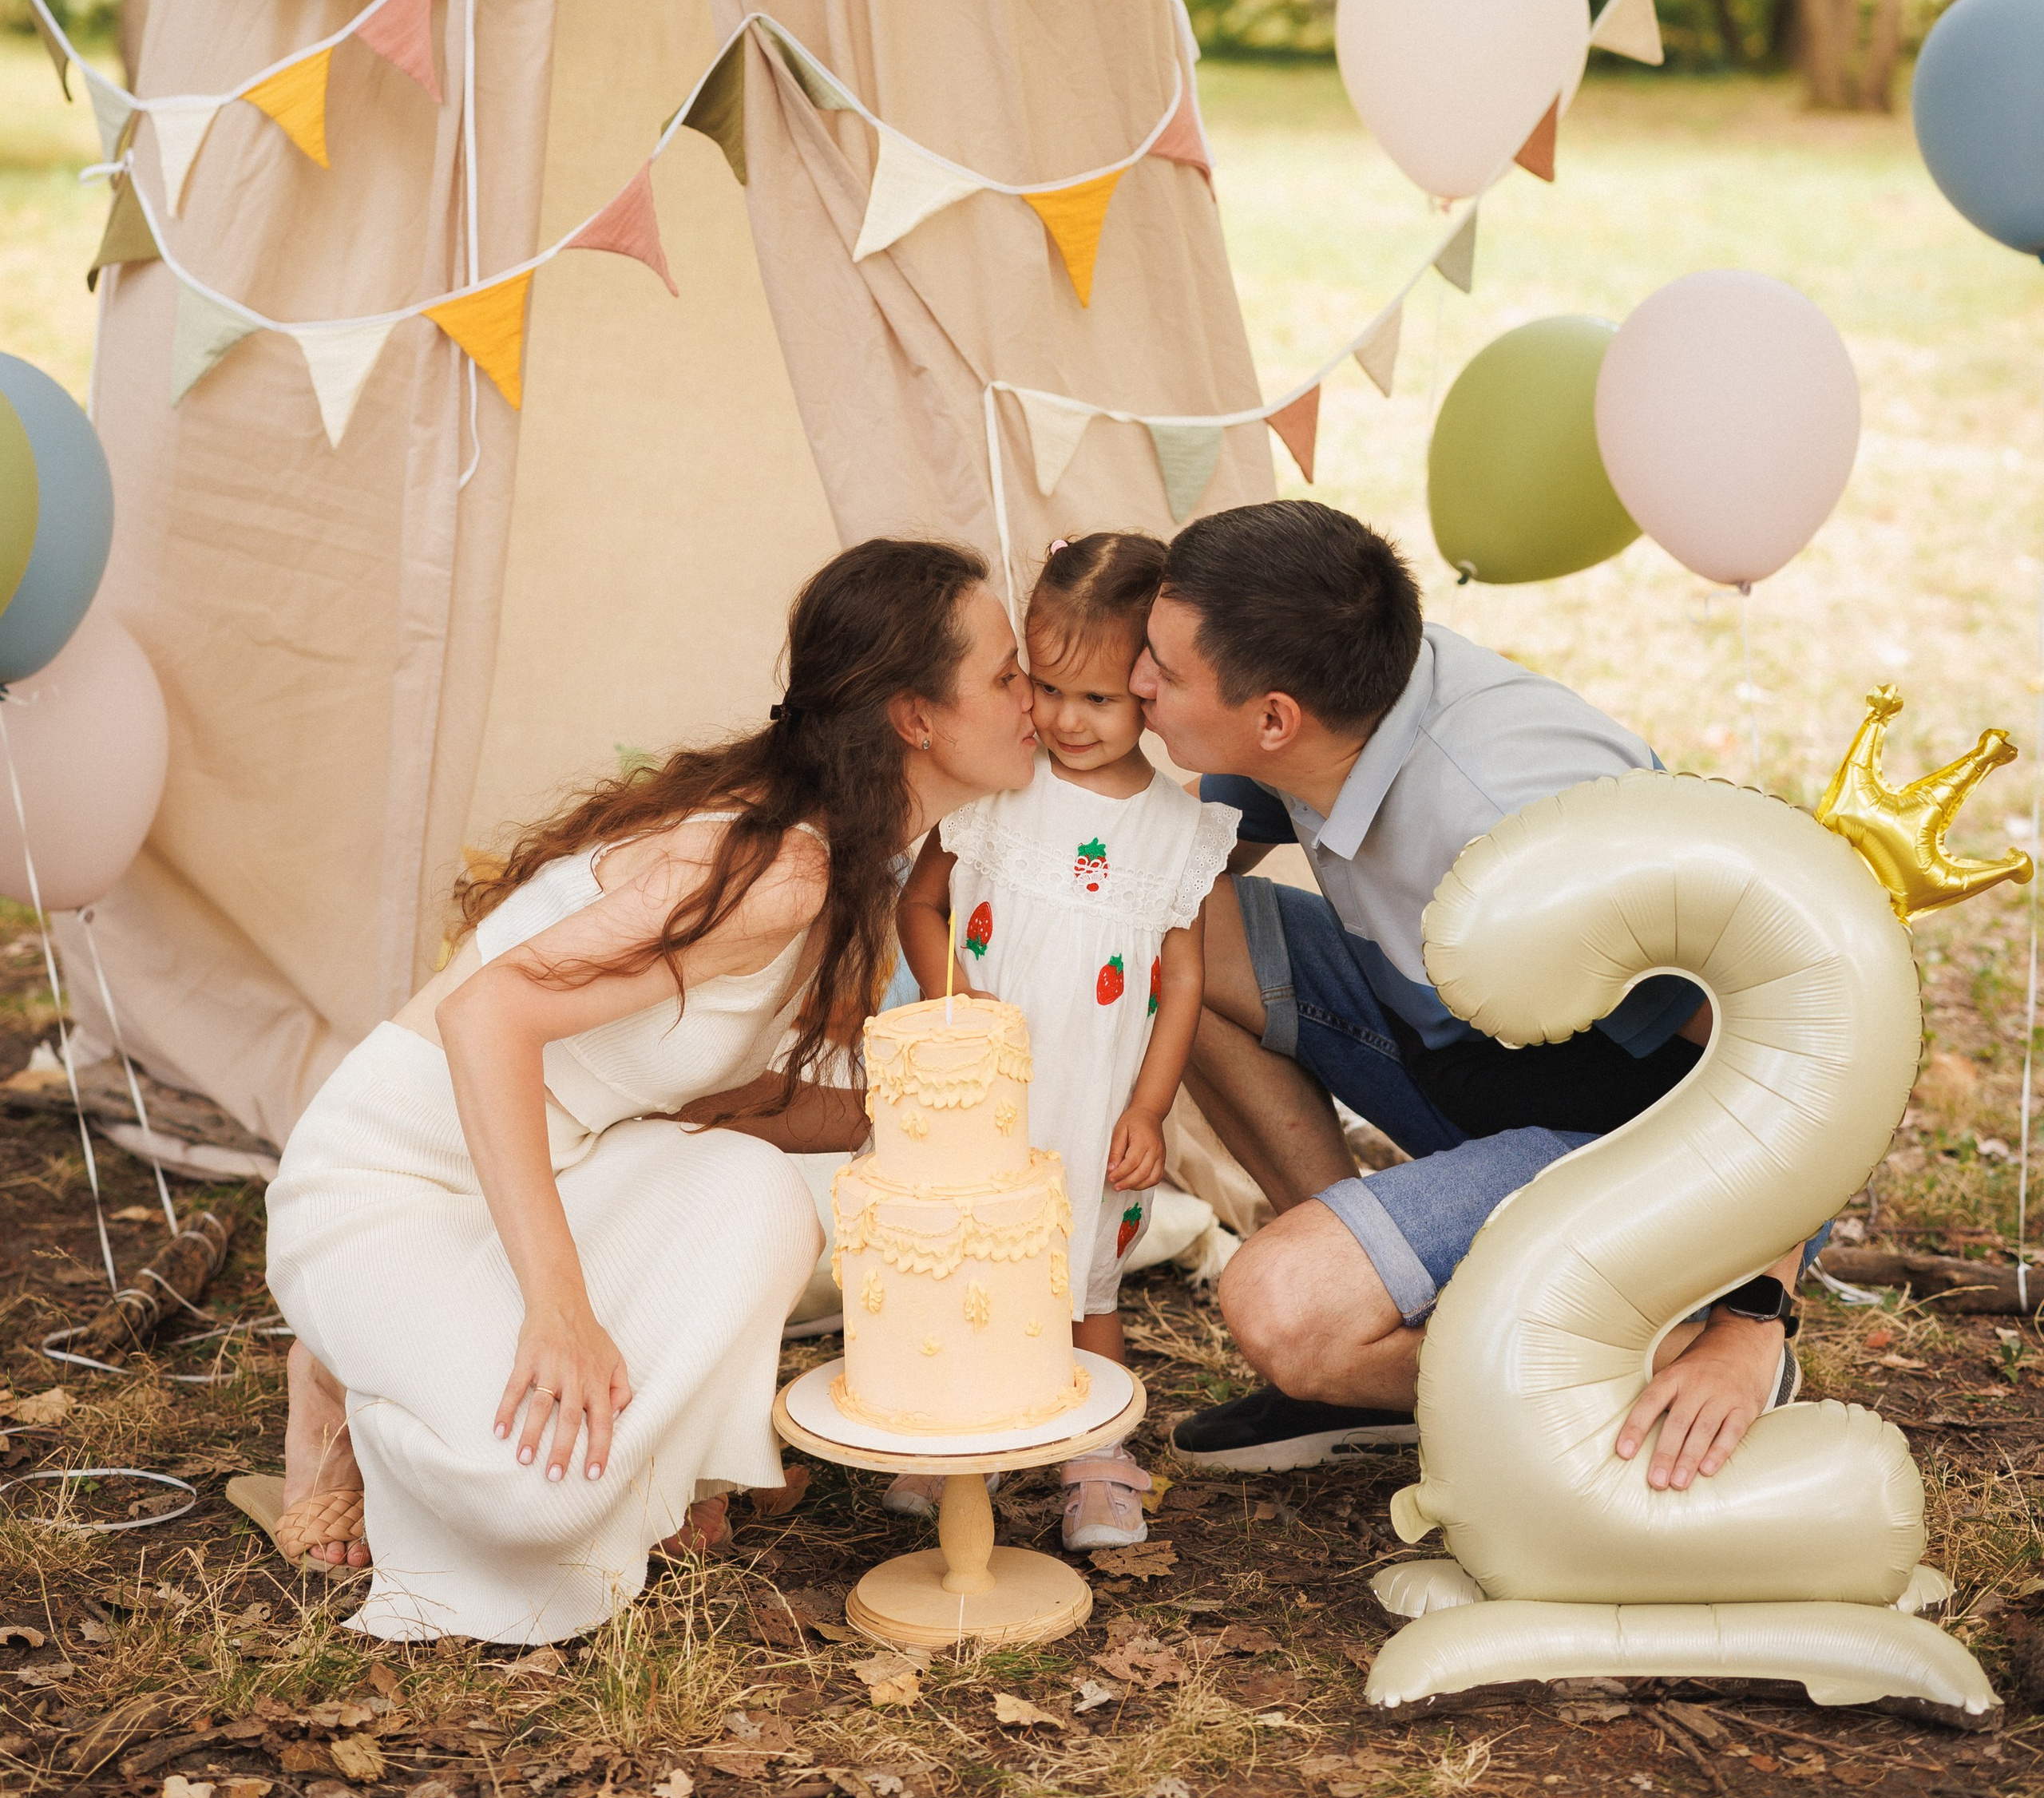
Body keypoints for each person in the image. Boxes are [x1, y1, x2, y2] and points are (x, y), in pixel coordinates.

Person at [264, 536, 1036, 1645]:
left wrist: (948, 1114)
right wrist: (561, 1314)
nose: (1033, 697)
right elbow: (487, 1014)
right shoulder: (776, 869)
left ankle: (648, 1457)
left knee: (761, 1194)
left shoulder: (840, 863)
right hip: (386, 1185)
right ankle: (341, 1380)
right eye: (1006, 674)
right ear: (916, 716)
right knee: (546, 1502)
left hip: (560, 1164)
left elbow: (709, 1099)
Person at [1127, 501, 1808, 1490]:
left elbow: (1790, 1045)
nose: (1135, 681)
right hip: (1469, 1063)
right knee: (1165, 920)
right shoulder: (1332, 693)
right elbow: (1159, 872)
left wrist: (1754, 1319)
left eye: (1162, 669)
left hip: (1643, 1149)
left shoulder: (1526, 827)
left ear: (1273, 718)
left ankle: (1673, 1352)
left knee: (1282, 1309)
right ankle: (1380, 1321)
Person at [897, 532, 1234, 1550]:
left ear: (1149, 689)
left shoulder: (1177, 831)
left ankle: (1094, 1458)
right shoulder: (1000, 786)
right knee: (966, 1268)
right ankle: (959, 1440)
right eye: (1045, 687)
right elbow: (920, 904)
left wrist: (1150, 1108)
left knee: (1085, 1283)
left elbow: (1184, 977)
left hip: (1091, 1102)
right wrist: (960, 1011)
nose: (1064, 719)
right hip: (981, 1094)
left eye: (1098, 698)